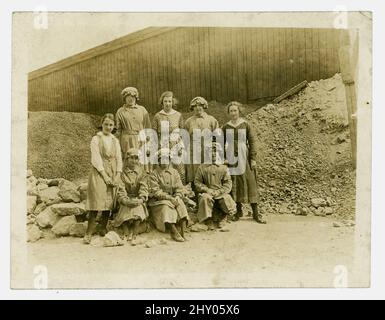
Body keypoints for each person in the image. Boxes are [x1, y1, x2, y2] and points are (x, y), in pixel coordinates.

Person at [222, 101, 266, 224]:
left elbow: (252, 142)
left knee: (250, 182)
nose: (233, 113)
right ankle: (238, 211)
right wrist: (224, 158)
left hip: (244, 157)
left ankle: (256, 213)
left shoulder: (245, 125)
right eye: (231, 111)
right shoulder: (225, 127)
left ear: (239, 111)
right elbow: (220, 143)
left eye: (235, 110)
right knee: (235, 182)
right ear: (228, 113)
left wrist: (253, 159)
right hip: (231, 158)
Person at [84, 113, 123, 244]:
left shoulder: (115, 140)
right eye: (106, 124)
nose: (108, 127)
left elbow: (119, 158)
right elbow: (95, 158)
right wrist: (105, 176)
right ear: (102, 124)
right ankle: (88, 232)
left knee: (109, 201)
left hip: (112, 171)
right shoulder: (96, 139)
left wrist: (117, 175)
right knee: (96, 200)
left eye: (111, 125)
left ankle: (103, 228)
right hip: (99, 172)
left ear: (114, 126)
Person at [148, 148, 189, 242]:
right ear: (158, 160)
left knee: (180, 204)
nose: (164, 161)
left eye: (166, 159)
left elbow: (179, 187)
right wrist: (169, 198)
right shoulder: (154, 174)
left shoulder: (174, 172)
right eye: (162, 159)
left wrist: (178, 196)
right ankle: (173, 230)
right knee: (166, 207)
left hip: (173, 197)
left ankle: (183, 231)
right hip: (158, 200)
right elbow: (156, 191)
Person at [194, 143, 237, 230]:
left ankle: (223, 217)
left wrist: (219, 191)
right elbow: (197, 182)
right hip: (208, 193)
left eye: (215, 152)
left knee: (226, 199)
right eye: (210, 152)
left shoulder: (224, 167)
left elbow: (228, 183)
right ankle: (208, 219)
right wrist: (206, 189)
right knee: (204, 198)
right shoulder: (202, 167)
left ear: (219, 153)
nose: (213, 154)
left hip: (220, 193)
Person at [113, 148, 149, 242]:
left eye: (136, 158)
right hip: (126, 198)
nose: (134, 161)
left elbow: (144, 187)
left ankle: (134, 232)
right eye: (131, 158)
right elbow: (120, 188)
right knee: (124, 209)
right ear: (127, 159)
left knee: (138, 209)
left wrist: (141, 199)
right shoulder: (121, 173)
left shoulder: (142, 173)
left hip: (138, 198)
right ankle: (126, 231)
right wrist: (125, 200)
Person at [184, 96, 219, 186]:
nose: (198, 108)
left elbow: (217, 137)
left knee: (208, 174)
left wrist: (214, 149)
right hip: (194, 152)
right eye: (195, 106)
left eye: (200, 105)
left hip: (208, 151)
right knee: (195, 174)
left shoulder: (211, 120)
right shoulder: (189, 122)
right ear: (192, 108)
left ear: (204, 106)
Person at [152, 91, 186, 183]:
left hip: (175, 144)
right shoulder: (158, 116)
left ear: (173, 102)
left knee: (179, 169)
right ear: (162, 102)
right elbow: (154, 133)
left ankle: (181, 190)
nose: (167, 104)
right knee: (163, 168)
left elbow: (182, 132)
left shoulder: (178, 115)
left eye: (169, 101)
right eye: (165, 101)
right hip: (162, 145)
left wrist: (180, 145)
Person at [115, 86, 151, 158]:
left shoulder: (142, 110)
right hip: (126, 141)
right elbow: (118, 130)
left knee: (140, 161)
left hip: (141, 140)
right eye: (128, 96)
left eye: (133, 96)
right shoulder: (120, 111)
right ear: (124, 98)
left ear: (136, 97)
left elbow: (148, 127)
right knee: (129, 161)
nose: (130, 99)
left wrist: (148, 144)